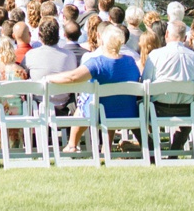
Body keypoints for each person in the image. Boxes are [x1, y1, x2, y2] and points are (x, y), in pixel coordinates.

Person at [45, 23, 140, 154]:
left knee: (84, 103)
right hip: (127, 112)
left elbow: (73, 77)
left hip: (100, 114)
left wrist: (49, 78)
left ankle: (72, 144)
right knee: (108, 101)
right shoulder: (130, 61)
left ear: (103, 40)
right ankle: (105, 148)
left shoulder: (97, 63)